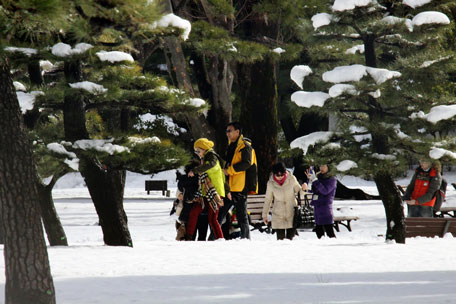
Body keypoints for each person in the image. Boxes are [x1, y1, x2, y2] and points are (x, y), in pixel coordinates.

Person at [219, 122, 258, 239]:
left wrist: (229, 171)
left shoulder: (245, 147)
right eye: (226, 131)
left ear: (237, 132)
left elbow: (246, 164)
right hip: (229, 186)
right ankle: (216, 238)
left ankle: (246, 238)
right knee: (220, 214)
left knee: (241, 216)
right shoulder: (231, 146)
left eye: (230, 130)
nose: (227, 133)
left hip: (240, 186)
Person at [185, 138, 225, 240]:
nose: (197, 153)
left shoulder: (212, 157)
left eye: (198, 151)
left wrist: (195, 170)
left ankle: (220, 239)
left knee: (212, 219)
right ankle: (188, 237)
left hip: (214, 192)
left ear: (204, 149)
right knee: (194, 212)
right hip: (204, 193)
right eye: (196, 151)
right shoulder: (205, 158)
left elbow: (210, 166)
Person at [262, 162, 303, 240]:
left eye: (282, 175)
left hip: (292, 213)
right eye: (278, 175)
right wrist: (265, 215)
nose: (280, 177)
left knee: (290, 240)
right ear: (274, 174)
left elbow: (299, 192)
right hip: (278, 214)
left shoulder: (292, 179)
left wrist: (304, 189)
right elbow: (268, 199)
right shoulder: (271, 183)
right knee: (280, 241)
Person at [305, 164, 337, 239]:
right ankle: (321, 246)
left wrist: (315, 180)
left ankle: (333, 246)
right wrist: (309, 181)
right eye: (320, 166)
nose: (321, 168)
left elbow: (325, 191)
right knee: (318, 230)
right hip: (317, 206)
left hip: (325, 206)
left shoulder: (332, 179)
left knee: (329, 229)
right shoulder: (318, 176)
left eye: (324, 166)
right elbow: (310, 190)